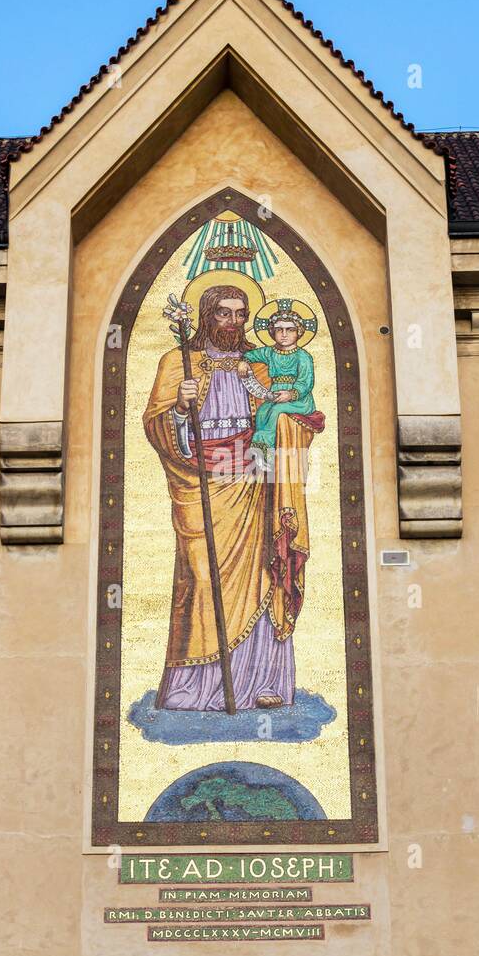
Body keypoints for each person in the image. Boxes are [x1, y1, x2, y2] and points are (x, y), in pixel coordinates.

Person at [143, 281, 314, 712]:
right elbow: (157, 427)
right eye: (224, 312)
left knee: (263, 575)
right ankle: (194, 688)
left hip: (254, 483)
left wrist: (289, 437)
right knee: (201, 578)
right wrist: (180, 409)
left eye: (240, 313)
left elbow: (291, 417)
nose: (233, 321)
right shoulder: (178, 362)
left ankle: (261, 682)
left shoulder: (259, 366)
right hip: (200, 483)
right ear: (207, 315)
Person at [237, 299, 316, 463]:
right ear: (272, 332)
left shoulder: (303, 356)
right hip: (275, 396)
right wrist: (244, 361)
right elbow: (252, 355)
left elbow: (306, 382)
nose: (284, 334)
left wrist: (291, 394)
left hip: (299, 400)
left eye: (290, 329)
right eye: (279, 329)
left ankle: (268, 456)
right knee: (262, 413)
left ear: (299, 332)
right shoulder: (270, 352)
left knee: (275, 412)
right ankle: (260, 456)